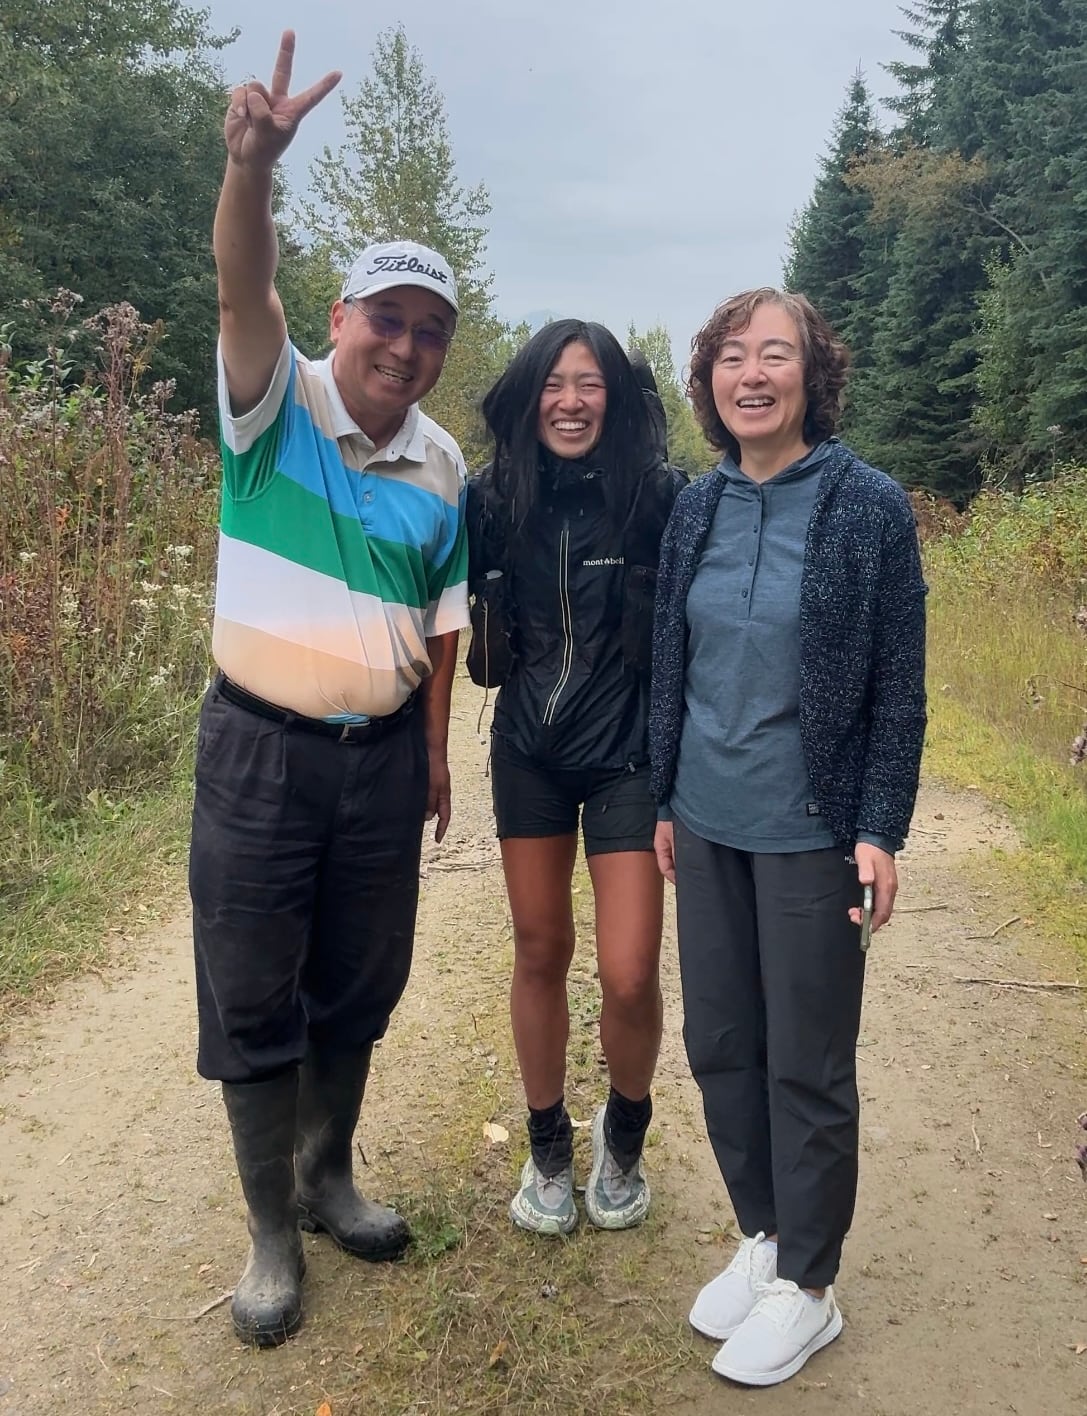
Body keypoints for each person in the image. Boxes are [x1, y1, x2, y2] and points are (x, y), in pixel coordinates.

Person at [190, 31, 469, 1347]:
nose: (405, 350)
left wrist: (429, 749)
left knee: (360, 978)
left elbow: (435, 618)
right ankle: (264, 1236)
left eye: (429, 334)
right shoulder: (272, 401)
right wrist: (249, 169)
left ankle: (328, 1176)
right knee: (253, 989)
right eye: (386, 321)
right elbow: (241, 278)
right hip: (254, 752)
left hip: (373, 767)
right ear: (341, 318)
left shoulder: (444, 467)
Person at [650, 288, 926, 1386]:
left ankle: (809, 1288)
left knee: (806, 1065)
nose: (750, 373)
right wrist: (666, 796)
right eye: (730, 355)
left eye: (775, 354)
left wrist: (879, 826)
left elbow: (898, 690)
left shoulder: (866, 505)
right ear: (707, 380)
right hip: (706, 825)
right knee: (722, 1048)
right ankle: (762, 1237)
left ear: (813, 373)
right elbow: (675, 662)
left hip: (812, 831)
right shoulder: (694, 509)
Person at [466, 322, 685, 1235]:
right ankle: (548, 1144)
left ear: (616, 398)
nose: (569, 399)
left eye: (588, 382)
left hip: (627, 753)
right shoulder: (488, 499)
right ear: (527, 396)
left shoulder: (657, 499)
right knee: (538, 949)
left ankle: (623, 1133)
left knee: (630, 973)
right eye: (553, 382)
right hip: (528, 753)